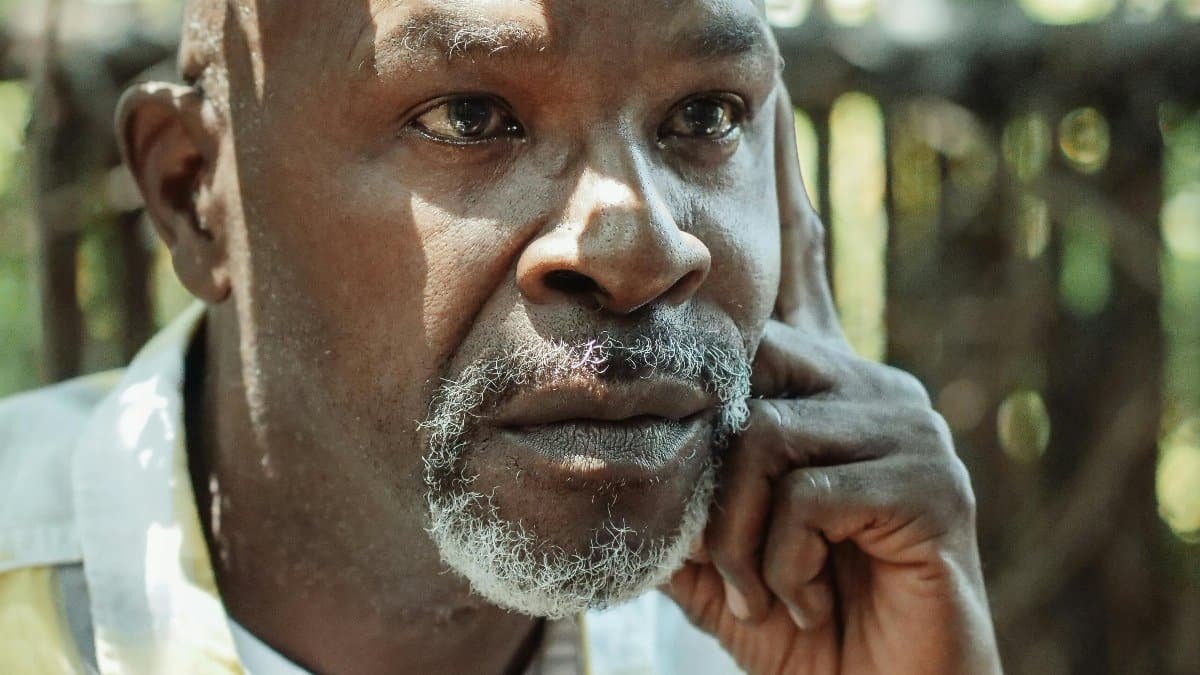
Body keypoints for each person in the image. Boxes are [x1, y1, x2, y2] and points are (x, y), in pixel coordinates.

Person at [0, 1, 1004, 673]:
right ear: (196, 197)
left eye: (706, 113)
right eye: (470, 117)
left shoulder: (765, 642)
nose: (641, 248)